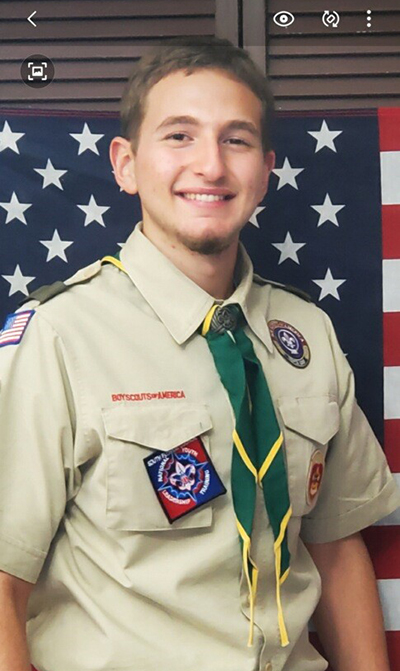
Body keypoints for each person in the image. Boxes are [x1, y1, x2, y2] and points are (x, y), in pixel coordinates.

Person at [0, 36, 399, 671]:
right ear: (126, 164)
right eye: (179, 136)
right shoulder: (57, 336)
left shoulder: (308, 332)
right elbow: (3, 581)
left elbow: (336, 545)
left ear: (265, 169)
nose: (210, 166)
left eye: (235, 139)